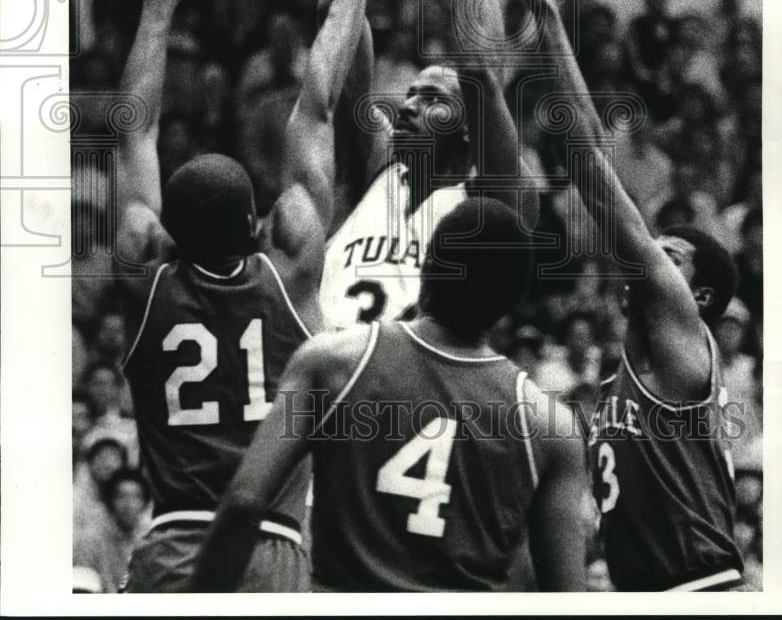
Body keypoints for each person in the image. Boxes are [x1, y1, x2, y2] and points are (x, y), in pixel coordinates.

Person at [114, 0, 399, 591]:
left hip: (173, 539)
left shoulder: (145, 270)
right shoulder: (290, 266)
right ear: (257, 226)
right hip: (270, 547)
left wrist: (158, 2)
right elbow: (316, 111)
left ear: (166, 230)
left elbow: (134, 131)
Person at [512, 0, 743, 591]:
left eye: (670, 257)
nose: (648, 259)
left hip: (699, 588)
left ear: (696, 297)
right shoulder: (636, 360)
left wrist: (551, 24)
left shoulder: (680, 328)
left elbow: (588, 164)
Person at [190, 198, 588, 592]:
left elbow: (244, 503)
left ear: (428, 268)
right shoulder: (550, 427)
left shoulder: (333, 362)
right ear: (512, 302)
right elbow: (567, 597)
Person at [319, 0, 537, 328]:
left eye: (433, 99)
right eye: (411, 94)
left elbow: (480, 74)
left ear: (469, 127)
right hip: (332, 387)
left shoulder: (496, 199)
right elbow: (337, 19)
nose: (409, 105)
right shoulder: (372, 164)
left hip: (424, 400)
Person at [73, 468, 151, 593]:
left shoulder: (150, 540)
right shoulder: (89, 541)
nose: (129, 505)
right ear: (110, 501)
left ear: (144, 503)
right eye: (121, 496)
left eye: (136, 497)